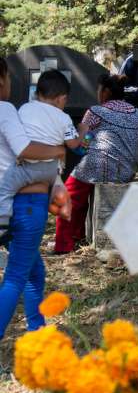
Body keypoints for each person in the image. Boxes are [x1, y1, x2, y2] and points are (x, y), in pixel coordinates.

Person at [0, 56, 66, 339]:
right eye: (10, 80)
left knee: (32, 271)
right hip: (25, 204)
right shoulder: (4, 109)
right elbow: (24, 149)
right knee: (16, 275)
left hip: (11, 203)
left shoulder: (18, 110)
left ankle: (37, 329)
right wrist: (58, 152)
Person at [54, 74, 138, 254]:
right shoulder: (137, 114)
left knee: (69, 197)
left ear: (105, 92)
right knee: (83, 191)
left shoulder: (95, 111)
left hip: (98, 165)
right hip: (125, 170)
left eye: (98, 90)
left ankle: (65, 244)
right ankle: (79, 237)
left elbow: (80, 141)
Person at [0, 70, 82, 243]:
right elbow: (73, 145)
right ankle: (62, 209)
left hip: (28, 167)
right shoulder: (65, 118)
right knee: (56, 187)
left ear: (36, 94)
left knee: (6, 188)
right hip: (51, 169)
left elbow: (22, 143)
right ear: (62, 98)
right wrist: (82, 131)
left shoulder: (24, 108)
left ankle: (3, 223)